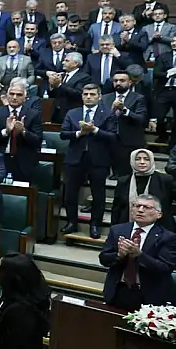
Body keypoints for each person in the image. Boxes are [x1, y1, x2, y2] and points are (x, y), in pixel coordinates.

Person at [99, 194, 176, 310]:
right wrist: (119, 255)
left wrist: (140, 255)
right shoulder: (117, 230)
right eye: (137, 206)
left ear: (159, 214)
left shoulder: (167, 237)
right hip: (118, 290)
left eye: (147, 207)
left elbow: (165, 268)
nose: (140, 210)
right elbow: (104, 259)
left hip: (148, 294)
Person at [60, 84, 117, 238]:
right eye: (86, 94)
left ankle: (95, 225)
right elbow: (63, 134)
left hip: (98, 159)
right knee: (70, 194)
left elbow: (113, 136)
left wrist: (95, 130)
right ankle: (72, 222)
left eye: (92, 94)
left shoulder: (108, 113)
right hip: (75, 158)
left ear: (99, 96)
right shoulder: (73, 113)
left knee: (98, 194)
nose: (88, 97)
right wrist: (80, 132)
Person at [111, 148, 176, 232]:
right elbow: (116, 209)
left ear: (151, 161)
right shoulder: (124, 181)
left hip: (161, 233)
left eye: (146, 159)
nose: (142, 162)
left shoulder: (165, 180)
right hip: (128, 231)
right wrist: (114, 231)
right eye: (137, 159)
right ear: (132, 161)